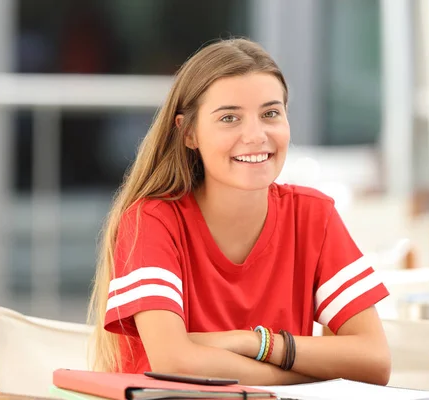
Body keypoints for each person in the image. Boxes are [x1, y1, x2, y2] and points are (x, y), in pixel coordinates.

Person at [87, 38, 392, 386]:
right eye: (229, 118)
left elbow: (374, 361)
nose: (255, 135)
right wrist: (307, 375)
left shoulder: (313, 216)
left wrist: (256, 342)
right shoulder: (152, 220)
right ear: (189, 133)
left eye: (270, 114)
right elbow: (175, 363)